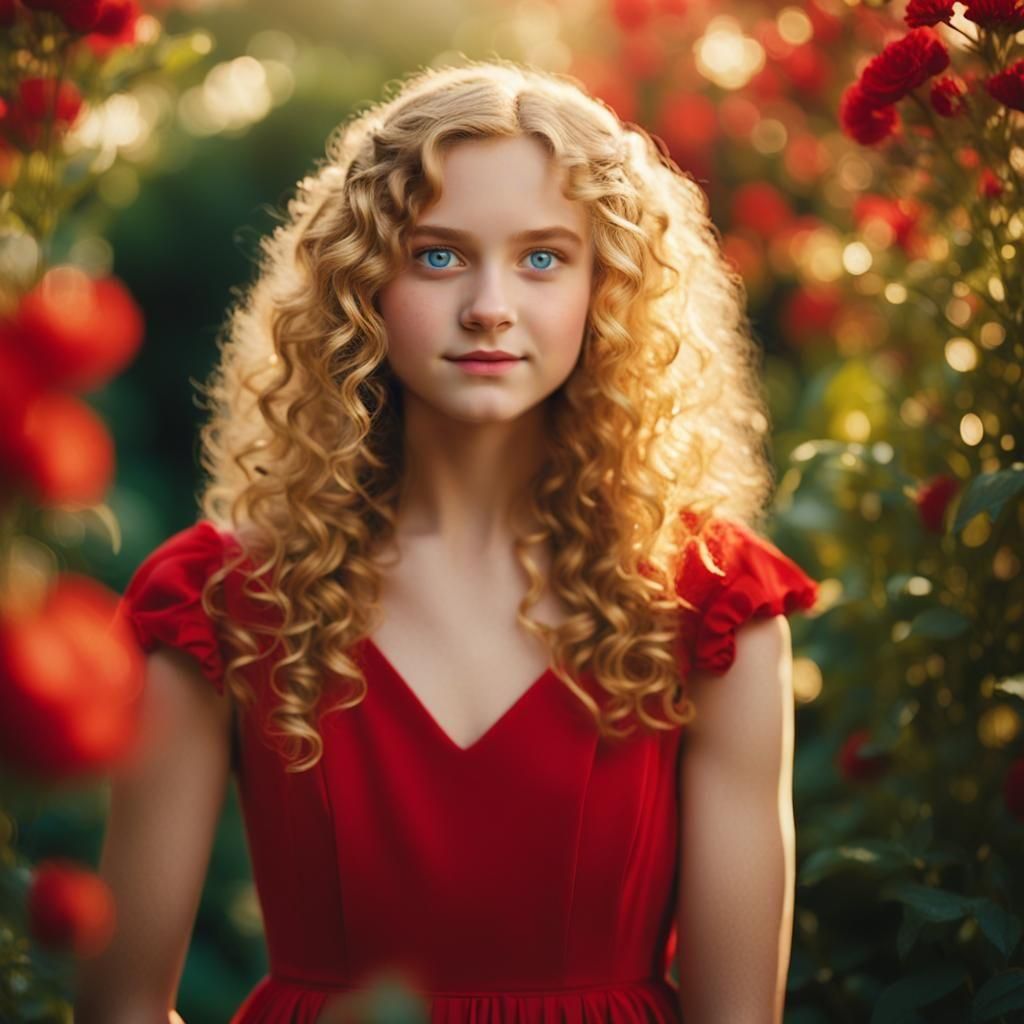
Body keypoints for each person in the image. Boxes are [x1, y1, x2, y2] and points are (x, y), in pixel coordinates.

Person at [74, 58, 820, 1024]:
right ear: (360, 286)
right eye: (437, 255)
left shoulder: (716, 608)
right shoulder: (217, 599)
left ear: (612, 290)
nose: (490, 306)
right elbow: (120, 1005)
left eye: (544, 257)